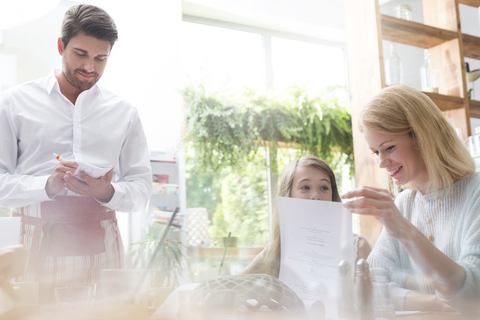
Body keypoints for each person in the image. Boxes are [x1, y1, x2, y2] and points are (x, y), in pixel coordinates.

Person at [0, 5, 152, 303]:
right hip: (31, 245)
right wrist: (45, 186)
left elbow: (142, 190)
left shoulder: (125, 113)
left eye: (101, 58)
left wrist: (108, 191)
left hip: (103, 248)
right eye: (80, 54)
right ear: (61, 45)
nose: (90, 67)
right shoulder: (13, 102)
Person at [342, 84, 480, 313]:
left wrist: (405, 232)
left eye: (389, 148)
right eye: (376, 152)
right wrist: (433, 303)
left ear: (422, 137)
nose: (381, 162)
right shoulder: (405, 204)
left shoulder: (475, 192)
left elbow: (471, 294)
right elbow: (370, 287)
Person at [239, 155, 372, 277]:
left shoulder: (359, 247)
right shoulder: (275, 250)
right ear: (288, 195)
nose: (316, 196)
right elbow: (235, 283)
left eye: (324, 187)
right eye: (305, 187)